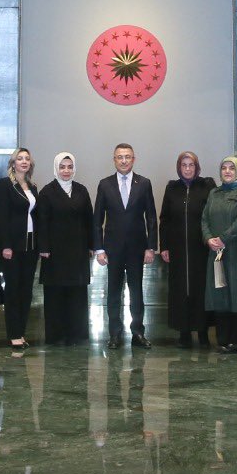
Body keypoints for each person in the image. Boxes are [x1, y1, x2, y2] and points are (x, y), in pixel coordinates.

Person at [92, 143, 158, 348]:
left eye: (127, 157)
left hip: (138, 249)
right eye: (119, 157)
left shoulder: (144, 183)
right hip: (112, 250)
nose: (123, 160)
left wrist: (151, 247)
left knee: (137, 292)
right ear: (114, 159)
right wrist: (99, 249)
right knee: (113, 292)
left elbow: (152, 218)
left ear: (133, 159)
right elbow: (97, 219)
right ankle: (114, 334)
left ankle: (138, 333)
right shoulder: (104, 184)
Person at [200, 156, 237, 353]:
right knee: (221, 295)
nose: (227, 171)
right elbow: (204, 219)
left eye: (231, 168)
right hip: (217, 253)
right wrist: (209, 239)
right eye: (224, 168)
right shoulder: (214, 193)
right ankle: (224, 340)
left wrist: (224, 238)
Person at [159, 150, 216, 347]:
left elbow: (213, 215)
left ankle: (202, 333)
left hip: (201, 248)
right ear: (179, 168)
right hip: (178, 249)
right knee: (180, 290)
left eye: (191, 165)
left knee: (201, 289)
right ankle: (183, 332)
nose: (188, 168)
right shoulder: (172, 188)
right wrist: (164, 246)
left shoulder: (207, 186)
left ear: (197, 167)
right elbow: (164, 219)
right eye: (184, 165)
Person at [37, 152, 95, 345]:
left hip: (78, 250)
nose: (66, 170)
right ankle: (56, 335)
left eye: (69, 167)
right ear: (56, 168)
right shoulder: (47, 191)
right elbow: (42, 222)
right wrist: (43, 246)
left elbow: (89, 219)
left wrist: (92, 245)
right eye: (62, 167)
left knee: (77, 293)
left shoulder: (81, 190)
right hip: (55, 251)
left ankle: (77, 334)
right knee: (55, 293)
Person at [0, 148, 40, 349]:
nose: (24, 161)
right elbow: (2, 217)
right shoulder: (5, 184)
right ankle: (13, 333)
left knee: (26, 291)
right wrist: (5, 245)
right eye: (19, 158)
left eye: (27, 158)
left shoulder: (32, 186)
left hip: (30, 246)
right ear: (13, 163)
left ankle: (21, 331)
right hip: (12, 246)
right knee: (13, 290)